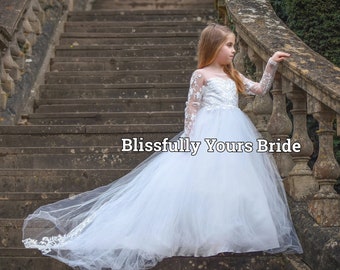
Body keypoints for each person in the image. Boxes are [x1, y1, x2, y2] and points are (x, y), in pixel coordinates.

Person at [22, 23, 303, 270]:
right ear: (214, 47)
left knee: (233, 185)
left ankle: (232, 235)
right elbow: (191, 108)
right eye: (228, 45)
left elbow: (260, 90)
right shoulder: (201, 75)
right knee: (205, 185)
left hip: (234, 133)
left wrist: (271, 64)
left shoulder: (233, 75)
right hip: (207, 135)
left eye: (233, 46)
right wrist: (192, 141)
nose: (233, 51)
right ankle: (206, 236)